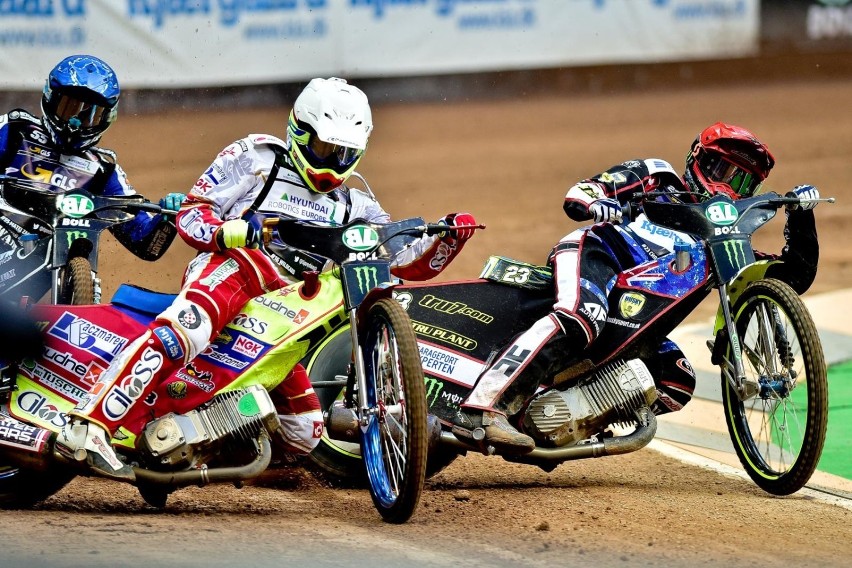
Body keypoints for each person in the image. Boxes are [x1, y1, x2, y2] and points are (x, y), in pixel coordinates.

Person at [56, 76, 478, 480]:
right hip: (235, 269)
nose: (331, 162)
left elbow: (404, 261)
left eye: (343, 153)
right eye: (323, 146)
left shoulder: (356, 204)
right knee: (187, 331)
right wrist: (227, 231)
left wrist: (447, 238)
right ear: (299, 129)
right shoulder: (256, 157)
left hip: (289, 313)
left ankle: (196, 447)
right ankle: (88, 425)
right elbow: (191, 213)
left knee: (305, 432)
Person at [452, 121, 821, 454]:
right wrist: (599, 203)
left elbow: (790, 278)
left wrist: (803, 216)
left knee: (676, 378)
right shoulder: (658, 176)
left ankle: (558, 420)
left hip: (633, 322)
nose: (727, 185)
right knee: (583, 316)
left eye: (742, 181)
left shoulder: (720, 246)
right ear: (697, 160)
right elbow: (581, 192)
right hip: (599, 251)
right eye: (721, 169)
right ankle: (483, 408)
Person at [0, 54, 184, 279]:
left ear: (107, 118)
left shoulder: (103, 169)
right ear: (50, 99)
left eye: (90, 115)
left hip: (48, 267)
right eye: (69, 108)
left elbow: (143, 241)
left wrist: (167, 218)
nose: (75, 124)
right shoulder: (14, 129)